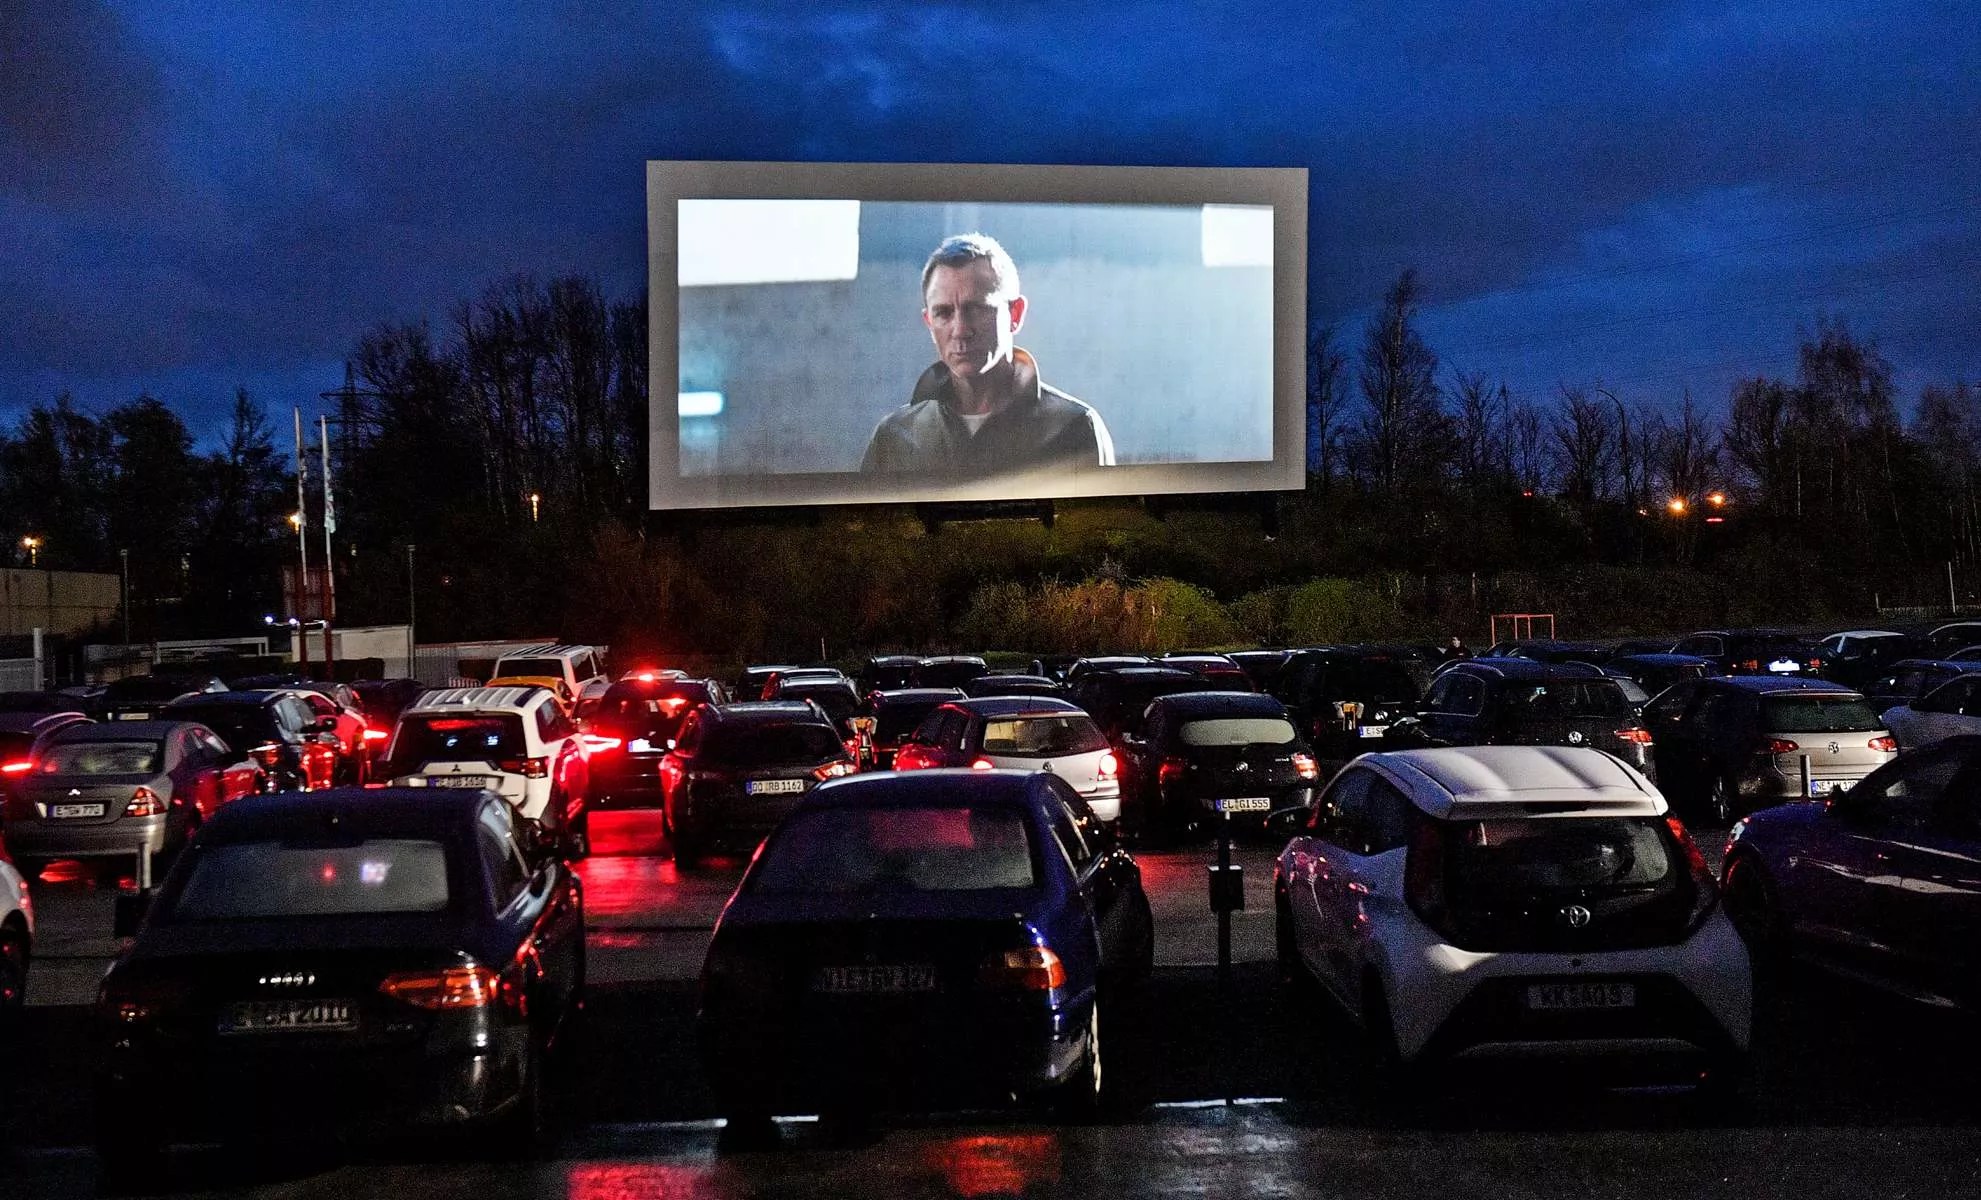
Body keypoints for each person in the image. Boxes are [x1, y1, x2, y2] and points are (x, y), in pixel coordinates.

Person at [860, 233, 1115, 475]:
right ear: (929, 321)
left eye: (977, 309)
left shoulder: (1073, 429)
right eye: (944, 313)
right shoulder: (894, 437)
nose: (960, 330)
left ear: (1015, 314)